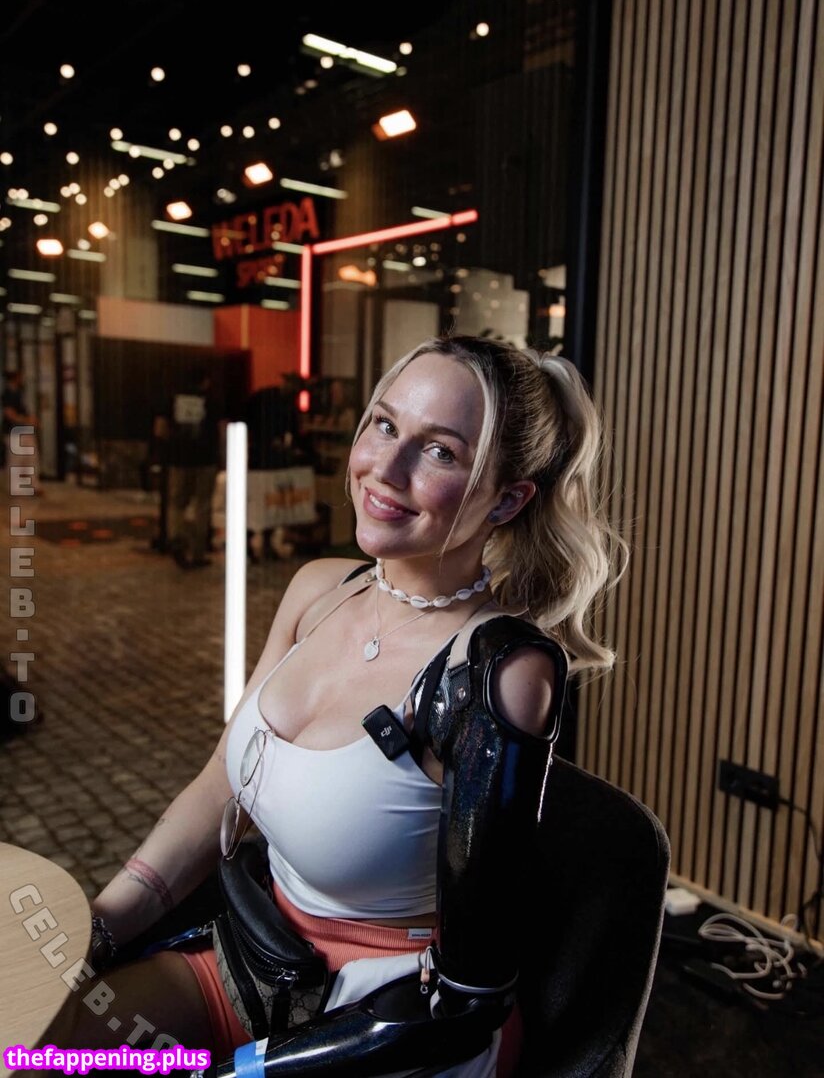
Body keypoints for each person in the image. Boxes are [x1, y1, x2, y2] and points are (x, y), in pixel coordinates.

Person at [43, 335, 625, 1076]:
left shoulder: (499, 674)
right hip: (261, 960)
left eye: (439, 452)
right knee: (35, 1048)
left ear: (507, 499)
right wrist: (97, 930)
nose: (385, 467)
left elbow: (464, 1003)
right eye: (384, 424)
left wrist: (240, 1071)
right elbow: (220, 785)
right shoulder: (320, 589)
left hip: (392, 1022)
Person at [165, 371, 223, 569]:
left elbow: (161, 428)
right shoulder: (210, 400)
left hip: (179, 459)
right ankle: (198, 551)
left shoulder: (173, 398)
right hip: (205, 459)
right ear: (205, 381)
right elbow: (220, 429)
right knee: (202, 504)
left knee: (176, 503)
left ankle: (176, 538)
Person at [2, 368, 42, 495]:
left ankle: (33, 484)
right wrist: (27, 420)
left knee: (31, 458)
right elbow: (9, 414)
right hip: (14, 431)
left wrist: (30, 420)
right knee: (16, 460)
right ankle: (16, 486)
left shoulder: (19, 393)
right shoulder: (8, 393)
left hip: (24, 430)